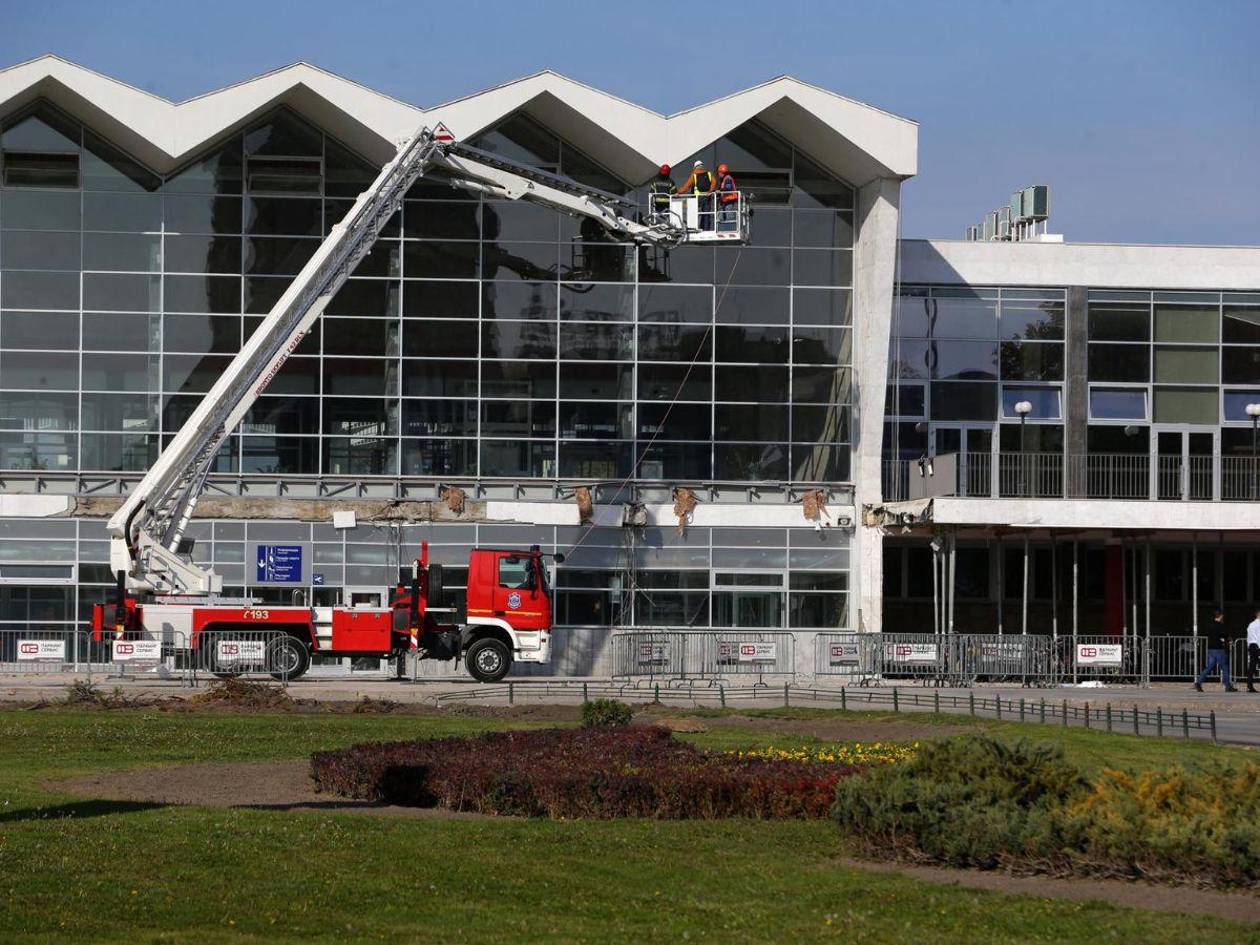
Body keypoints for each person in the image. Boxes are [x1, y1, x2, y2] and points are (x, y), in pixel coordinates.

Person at [1194, 608, 1238, 692]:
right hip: (1219, 649)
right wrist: (1228, 640)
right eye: (1222, 616)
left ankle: (1198, 682)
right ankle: (1228, 686)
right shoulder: (1220, 625)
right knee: (1224, 667)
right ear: (1221, 616)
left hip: (1211, 648)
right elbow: (1225, 635)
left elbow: (1208, 633)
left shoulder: (1210, 625)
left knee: (1209, 667)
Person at [675, 159, 716, 231]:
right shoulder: (709, 174)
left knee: (695, 213)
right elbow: (714, 183)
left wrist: (678, 192)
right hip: (707, 197)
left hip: (697, 198)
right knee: (706, 214)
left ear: (695, 167)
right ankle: (706, 229)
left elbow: (686, 187)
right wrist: (710, 191)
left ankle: (696, 228)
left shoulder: (694, 175)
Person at [716, 162, 739, 232]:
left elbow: (728, 188)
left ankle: (730, 229)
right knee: (721, 217)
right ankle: (722, 229)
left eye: (719, 172)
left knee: (729, 217)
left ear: (722, 172)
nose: (718, 174)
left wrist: (719, 191)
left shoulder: (728, 179)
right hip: (725, 201)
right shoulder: (724, 179)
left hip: (729, 201)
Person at [1247, 607, 1260, 693]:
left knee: (1252, 666)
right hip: (1257, 646)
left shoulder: (1250, 624)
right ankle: (1250, 686)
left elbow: (1248, 636)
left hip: (1251, 646)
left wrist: (1248, 646)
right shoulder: (1259, 624)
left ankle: (1250, 685)